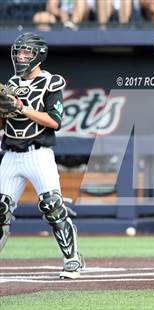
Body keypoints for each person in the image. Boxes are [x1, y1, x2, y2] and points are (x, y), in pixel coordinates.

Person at [0, 33, 83, 279]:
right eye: (19, 53)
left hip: (39, 154)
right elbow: (3, 124)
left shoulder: (51, 82)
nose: (21, 57)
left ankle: (72, 260)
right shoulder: (11, 83)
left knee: (52, 207)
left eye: (26, 53)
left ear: (39, 56)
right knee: (0, 210)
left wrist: (21, 107)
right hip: (11, 155)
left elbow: (54, 122)